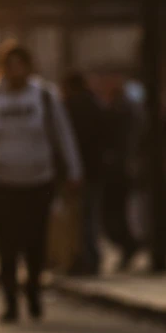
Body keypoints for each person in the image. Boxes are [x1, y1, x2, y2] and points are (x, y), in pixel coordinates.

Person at [0, 42, 82, 323]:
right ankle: (9, 301)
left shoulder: (44, 96)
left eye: (20, 64)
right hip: (0, 181)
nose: (15, 71)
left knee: (35, 241)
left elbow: (63, 134)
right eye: (10, 65)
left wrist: (74, 170)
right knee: (6, 244)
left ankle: (33, 289)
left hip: (38, 180)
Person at [61, 72, 106, 276]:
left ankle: (83, 259)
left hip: (78, 171)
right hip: (95, 169)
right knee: (89, 217)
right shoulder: (95, 105)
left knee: (78, 219)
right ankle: (91, 257)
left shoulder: (69, 107)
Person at [100, 82, 142, 269]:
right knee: (117, 214)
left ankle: (130, 245)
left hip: (117, 171)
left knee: (114, 215)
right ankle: (129, 245)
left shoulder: (118, 114)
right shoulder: (130, 113)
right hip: (120, 170)